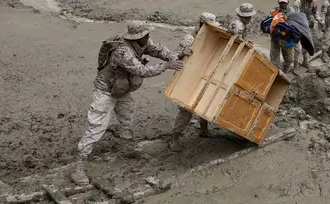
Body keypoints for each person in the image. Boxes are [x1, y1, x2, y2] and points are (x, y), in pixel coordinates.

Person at [71, 21, 183, 185]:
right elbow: (142, 71)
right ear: (137, 38)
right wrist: (166, 66)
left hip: (121, 89)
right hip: (105, 91)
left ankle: (127, 149)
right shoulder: (123, 51)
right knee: (96, 127)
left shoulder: (143, 42)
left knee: (127, 118)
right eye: (146, 36)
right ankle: (78, 167)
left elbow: (158, 50)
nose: (148, 38)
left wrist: (173, 58)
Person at [168, 13, 220, 153]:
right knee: (186, 109)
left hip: (203, 74)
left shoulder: (211, 34)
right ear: (201, 24)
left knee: (204, 102)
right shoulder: (189, 38)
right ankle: (174, 138)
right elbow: (174, 55)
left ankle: (204, 130)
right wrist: (182, 53)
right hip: (188, 76)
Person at [293, 0, 319, 70]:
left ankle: (305, 60)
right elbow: (296, 17)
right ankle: (295, 65)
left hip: (307, 24)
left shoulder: (313, 4)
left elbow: (315, 14)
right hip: (298, 24)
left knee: (307, 43)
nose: (311, 1)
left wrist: (319, 20)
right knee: (297, 47)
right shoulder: (298, 2)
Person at [269, 0, 295, 73]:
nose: (283, 4)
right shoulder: (274, 11)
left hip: (285, 38)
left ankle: (285, 69)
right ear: (278, 2)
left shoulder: (291, 11)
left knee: (289, 59)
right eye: (281, 3)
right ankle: (275, 73)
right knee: (274, 60)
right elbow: (269, 23)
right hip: (275, 37)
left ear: (288, 3)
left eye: (284, 3)